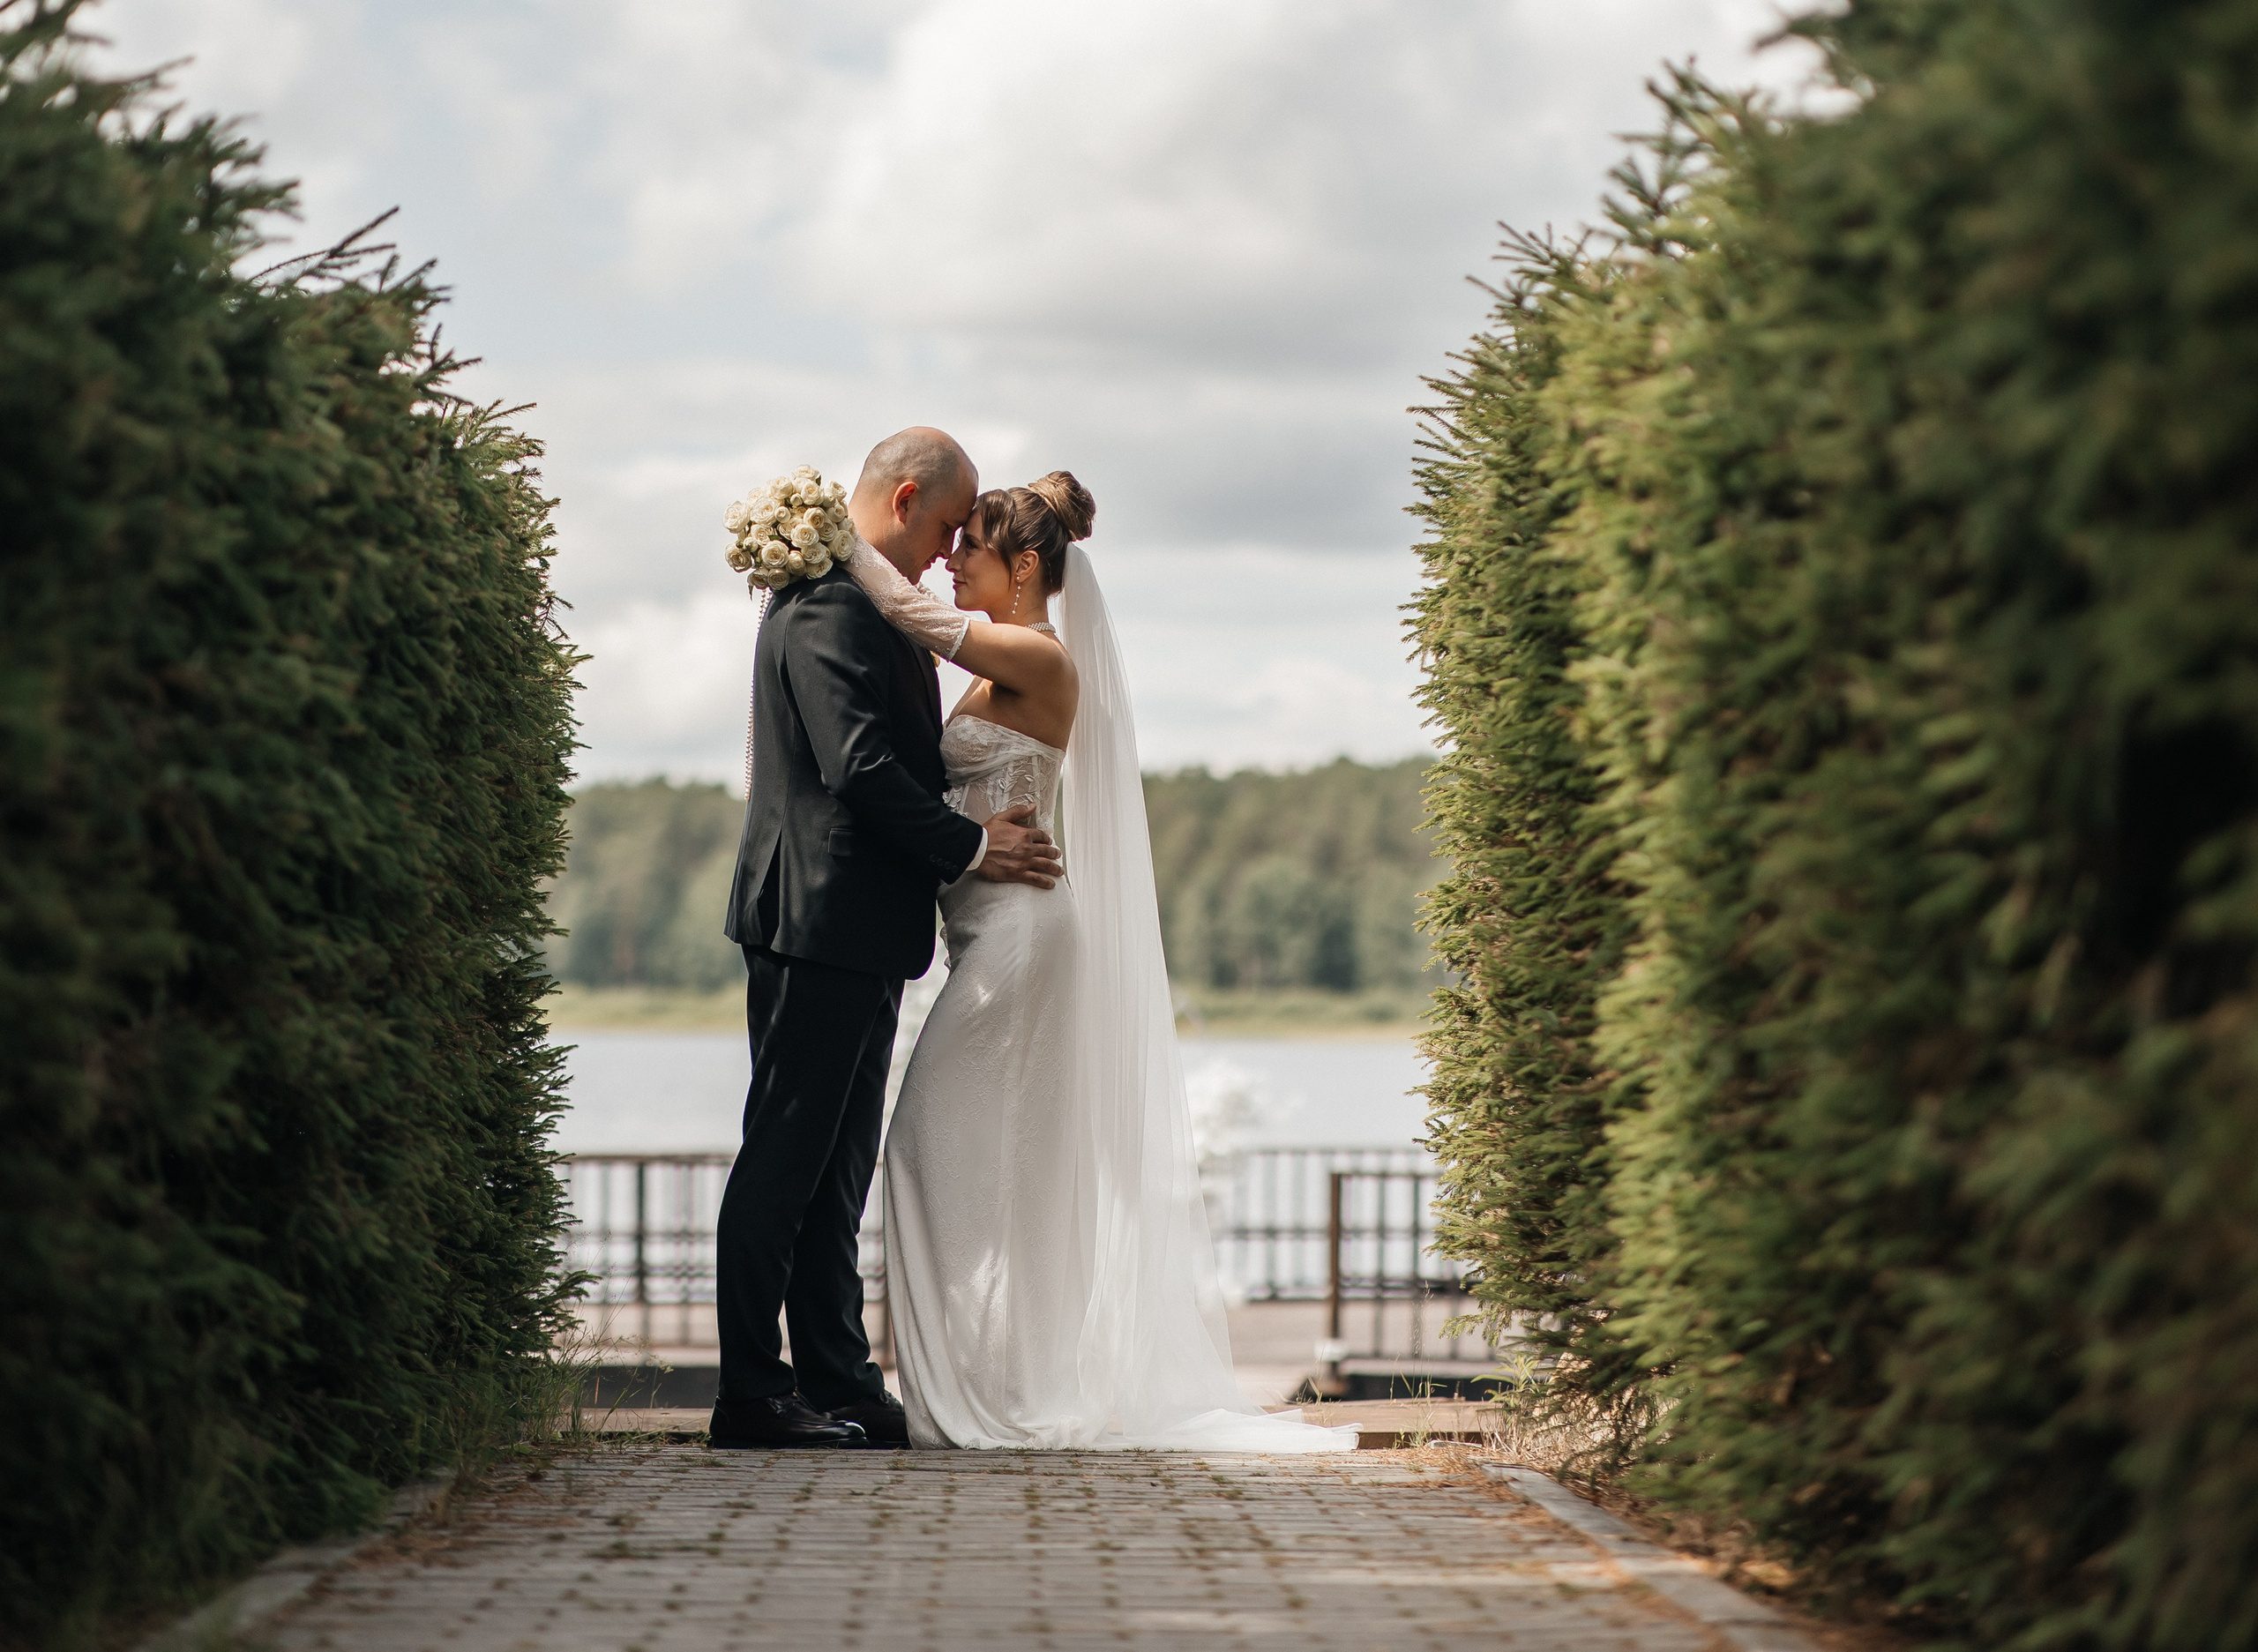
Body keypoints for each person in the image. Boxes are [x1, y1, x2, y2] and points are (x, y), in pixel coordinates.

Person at [848, 472, 1355, 1452]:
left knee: (924, 1144)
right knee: (989, 1165)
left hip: (1022, 938)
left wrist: (823, 533)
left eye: (970, 546)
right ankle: (987, 1381)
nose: (951, 560)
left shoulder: (1038, 656)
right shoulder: (995, 667)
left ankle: (987, 1391)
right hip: (987, 931)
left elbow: (911, 614)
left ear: (1023, 566)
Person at [708, 428, 1063, 1450]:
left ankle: (840, 1380)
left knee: (838, 1167)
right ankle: (751, 1394)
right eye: (947, 526)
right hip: (815, 919)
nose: (949, 549)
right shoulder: (830, 605)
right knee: (786, 1155)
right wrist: (973, 846)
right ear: (906, 500)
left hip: (862, 927)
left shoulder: (875, 605)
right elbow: (858, 767)